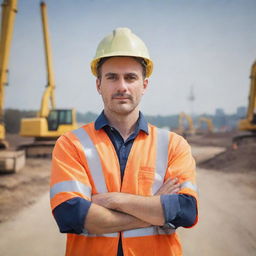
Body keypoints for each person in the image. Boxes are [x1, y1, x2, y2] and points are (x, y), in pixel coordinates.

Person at [50, 27, 198, 256]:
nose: (122, 87)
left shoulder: (173, 145)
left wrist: (112, 200)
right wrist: (154, 207)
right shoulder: (71, 144)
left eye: (131, 77)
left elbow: (185, 212)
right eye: (112, 77)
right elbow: (70, 215)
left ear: (144, 85)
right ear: (98, 84)